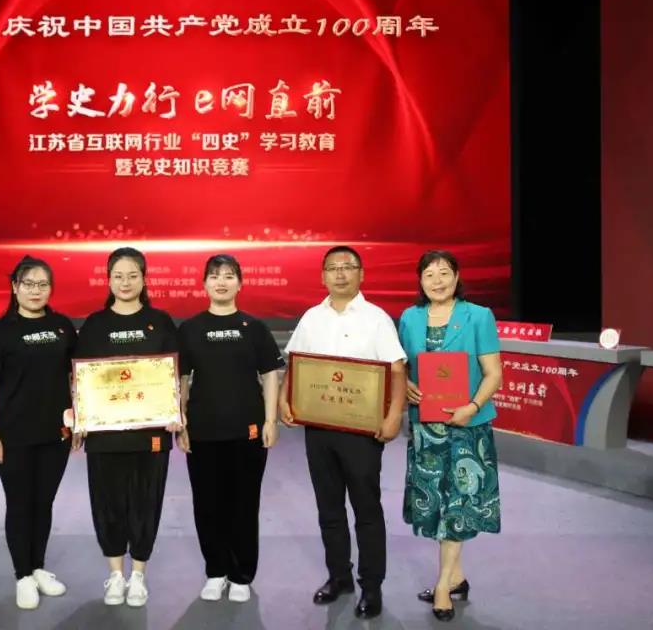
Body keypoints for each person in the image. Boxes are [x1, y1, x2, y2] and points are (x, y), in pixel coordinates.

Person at [279, 246, 407, 619]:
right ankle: (339, 577)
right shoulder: (311, 318)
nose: (340, 274)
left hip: (362, 431)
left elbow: (397, 371)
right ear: (322, 276)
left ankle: (371, 585)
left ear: (361, 274)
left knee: (366, 509)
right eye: (332, 268)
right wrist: (285, 399)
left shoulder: (376, 319)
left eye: (347, 267)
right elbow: (296, 364)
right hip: (319, 429)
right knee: (329, 507)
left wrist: (394, 416)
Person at [73, 247, 182, 607]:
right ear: (108, 280)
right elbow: (81, 377)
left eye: (132, 275)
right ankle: (115, 575)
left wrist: (175, 411)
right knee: (107, 502)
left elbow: (174, 375)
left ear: (144, 279)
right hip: (104, 432)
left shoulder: (160, 322)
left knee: (145, 502)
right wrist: (81, 417)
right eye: (118, 276)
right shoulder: (95, 324)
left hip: (151, 431)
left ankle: (138, 575)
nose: (125, 282)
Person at [397, 250, 503, 622]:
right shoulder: (409, 318)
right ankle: (457, 577)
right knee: (435, 504)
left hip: (467, 428)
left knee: (459, 504)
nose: (437, 281)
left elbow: (493, 373)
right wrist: (404, 383)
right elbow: (401, 366)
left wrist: (472, 406)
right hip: (426, 429)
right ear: (420, 281)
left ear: (457, 277)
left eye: (444, 273)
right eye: (429, 274)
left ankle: (443, 585)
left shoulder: (479, 316)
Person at [176, 254, 284, 603]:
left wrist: (270, 421)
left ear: (240, 283)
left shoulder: (254, 328)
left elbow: (270, 375)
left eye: (228, 276)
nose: (221, 282)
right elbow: (182, 379)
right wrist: (181, 421)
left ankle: (241, 575)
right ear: (204, 284)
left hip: (247, 430)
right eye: (214, 276)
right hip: (203, 431)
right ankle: (215, 571)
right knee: (207, 503)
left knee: (244, 504)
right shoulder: (190, 329)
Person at [0, 256, 77, 610]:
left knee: (43, 502)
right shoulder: (0, 333)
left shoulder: (62, 327)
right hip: (14, 434)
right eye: (29, 284)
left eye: (43, 284)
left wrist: (79, 421)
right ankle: (22, 575)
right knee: (19, 503)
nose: (36, 291)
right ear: (15, 287)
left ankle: (38, 567)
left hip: (56, 433)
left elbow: (76, 377)